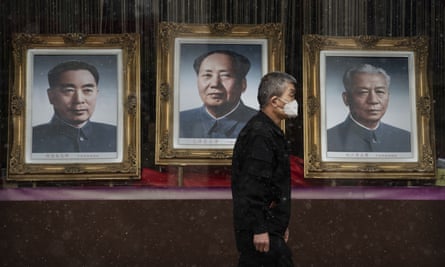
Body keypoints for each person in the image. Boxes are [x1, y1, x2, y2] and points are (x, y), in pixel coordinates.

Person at [231, 72, 298, 267]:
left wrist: (280, 224)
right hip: (261, 232)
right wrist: (260, 228)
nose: (294, 102)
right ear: (275, 101)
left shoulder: (268, 131)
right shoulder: (260, 134)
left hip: (269, 227)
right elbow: (253, 185)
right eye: (291, 95)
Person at [32, 60, 117, 153]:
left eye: (87, 90)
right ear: (51, 96)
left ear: (96, 94)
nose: (79, 100)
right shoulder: (31, 138)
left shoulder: (116, 135)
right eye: (69, 90)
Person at [327, 64, 411, 152]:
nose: (373, 100)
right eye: (363, 92)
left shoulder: (406, 139)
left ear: (388, 97)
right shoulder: (327, 140)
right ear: (346, 98)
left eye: (380, 91)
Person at [180, 50, 257, 138]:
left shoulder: (260, 122)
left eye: (225, 75)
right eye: (207, 75)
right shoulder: (179, 121)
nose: (215, 84)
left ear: (243, 84)